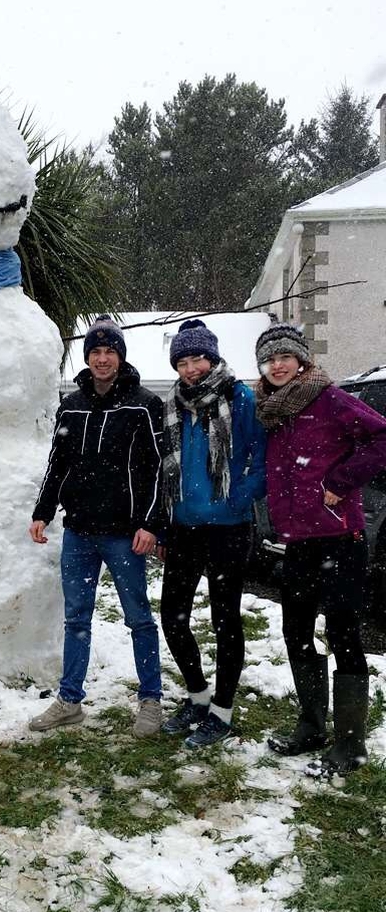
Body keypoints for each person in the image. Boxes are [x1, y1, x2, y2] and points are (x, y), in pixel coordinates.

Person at [255, 322, 386, 776]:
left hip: (340, 539)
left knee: (344, 634)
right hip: (298, 542)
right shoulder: (272, 411)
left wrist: (341, 480)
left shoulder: (329, 399)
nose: (277, 364)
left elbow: (381, 436)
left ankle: (350, 746)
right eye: (269, 359)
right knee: (295, 630)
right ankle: (311, 725)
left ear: (301, 360)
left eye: (284, 356)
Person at [28, 315, 164, 737]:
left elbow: (159, 469)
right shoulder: (72, 405)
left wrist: (150, 523)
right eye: (95, 352)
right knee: (77, 618)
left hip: (125, 534)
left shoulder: (144, 404)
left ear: (121, 357)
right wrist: (43, 510)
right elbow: (58, 463)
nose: (102, 359)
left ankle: (151, 699)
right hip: (79, 532)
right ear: (87, 357)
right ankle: (70, 699)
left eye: (110, 352)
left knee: (138, 617)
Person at [158, 319, 267, 749]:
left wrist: (237, 499)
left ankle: (222, 710)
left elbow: (262, 458)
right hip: (185, 527)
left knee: (225, 620)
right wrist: (167, 522)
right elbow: (166, 467)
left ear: (213, 358)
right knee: (173, 617)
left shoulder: (239, 398)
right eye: (182, 361)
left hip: (229, 529)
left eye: (197, 358)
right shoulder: (173, 405)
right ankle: (197, 695)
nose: (191, 368)